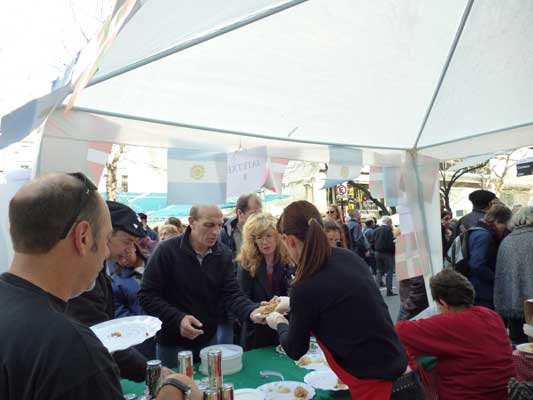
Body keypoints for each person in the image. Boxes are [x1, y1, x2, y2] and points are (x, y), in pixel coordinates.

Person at [0, 172, 200, 400]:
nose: (106, 253)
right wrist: (175, 392)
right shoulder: (72, 349)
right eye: (105, 240)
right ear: (83, 237)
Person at [267, 201, 414, 399]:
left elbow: (295, 348)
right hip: (406, 376)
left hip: (380, 388)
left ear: (290, 240)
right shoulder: (347, 257)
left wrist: (279, 322)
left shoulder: (305, 284)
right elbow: (337, 301)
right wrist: (293, 304)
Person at [138, 205, 265, 366]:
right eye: (209, 225)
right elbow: (146, 295)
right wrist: (178, 319)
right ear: (192, 222)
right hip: (172, 343)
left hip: (208, 340)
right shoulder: (166, 251)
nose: (216, 232)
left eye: (219, 225)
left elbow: (231, 293)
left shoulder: (223, 254)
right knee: (175, 388)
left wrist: (252, 310)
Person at [396, 269, 515, 400]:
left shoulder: (449, 323)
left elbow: (399, 331)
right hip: (505, 393)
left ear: (442, 303)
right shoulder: (492, 315)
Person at [67, 200, 150, 382]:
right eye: (127, 242)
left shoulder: (101, 267)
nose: (130, 250)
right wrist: (148, 371)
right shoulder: (82, 275)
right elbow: (98, 335)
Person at [236, 212, 293, 350]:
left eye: (268, 236)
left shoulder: (288, 260)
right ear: (253, 241)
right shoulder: (246, 264)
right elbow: (240, 298)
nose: (265, 242)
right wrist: (259, 306)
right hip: (257, 331)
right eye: (259, 237)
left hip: (284, 327)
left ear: (277, 237)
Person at [108, 244, 155, 359]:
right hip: (143, 337)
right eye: (119, 258)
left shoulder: (155, 263)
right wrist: (141, 326)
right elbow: (119, 311)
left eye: (127, 254)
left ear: (134, 246)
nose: (124, 260)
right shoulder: (116, 280)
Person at [494, 206, 533, 343]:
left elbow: (501, 276)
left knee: (519, 346)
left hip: (512, 303)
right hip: (531, 305)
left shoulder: (507, 241)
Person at [467, 204, 512, 309]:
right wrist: (496, 278)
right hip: (482, 290)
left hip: (478, 287)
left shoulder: (478, 231)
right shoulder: (484, 236)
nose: (505, 229)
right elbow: (476, 264)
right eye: (505, 225)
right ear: (497, 221)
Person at [374, 216, 397, 296]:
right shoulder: (389, 229)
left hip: (377, 252)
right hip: (387, 253)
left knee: (379, 271)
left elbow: (372, 241)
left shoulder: (376, 230)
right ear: (388, 222)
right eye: (391, 222)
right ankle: (389, 290)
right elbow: (391, 242)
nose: (391, 224)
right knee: (389, 271)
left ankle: (376, 290)